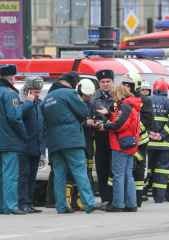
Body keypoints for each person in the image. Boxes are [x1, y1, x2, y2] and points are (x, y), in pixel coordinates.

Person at [41, 72, 96, 214]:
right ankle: (89, 203)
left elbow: (43, 121)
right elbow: (84, 111)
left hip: (54, 142)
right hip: (71, 139)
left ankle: (61, 206)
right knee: (79, 171)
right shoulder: (70, 93)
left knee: (59, 173)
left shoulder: (47, 98)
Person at [97, 85, 141, 212]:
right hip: (130, 143)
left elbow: (119, 124)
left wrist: (105, 126)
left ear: (119, 94)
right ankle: (131, 203)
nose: (113, 98)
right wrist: (109, 114)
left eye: (114, 94)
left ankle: (118, 204)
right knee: (128, 175)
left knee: (118, 175)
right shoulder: (132, 105)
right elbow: (123, 120)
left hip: (120, 144)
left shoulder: (124, 105)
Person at [0, 64, 34, 215]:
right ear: (11, 77)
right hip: (9, 141)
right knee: (10, 175)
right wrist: (24, 135)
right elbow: (14, 118)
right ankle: (11, 206)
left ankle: (2, 206)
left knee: (2, 175)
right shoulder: (9, 94)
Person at [122, 72, 153, 207]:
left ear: (135, 86)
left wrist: (133, 127)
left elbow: (147, 120)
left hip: (140, 141)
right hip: (125, 140)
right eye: (123, 85)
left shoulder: (144, 101)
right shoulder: (122, 99)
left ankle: (138, 198)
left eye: (128, 85)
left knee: (138, 168)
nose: (125, 87)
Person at [148, 80, 169, 203]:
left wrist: (149, 133)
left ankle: (143, 194)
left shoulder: (147, 100)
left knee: (147, 168)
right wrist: (162, 135)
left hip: (149, 143)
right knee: (162, 170)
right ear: (165, 90)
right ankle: (159, 197)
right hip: (165, 144)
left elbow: (141, 120)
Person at [18, 76, 45, 213]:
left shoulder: (39, 104)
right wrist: (28, 102)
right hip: (24, 147)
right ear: (27, 91)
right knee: (24, 175)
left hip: (36, 146)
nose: (37, 94)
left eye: (38, 92)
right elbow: (17, 116)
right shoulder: (22, 103)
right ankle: (22, 203)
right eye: (35, 92)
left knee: (32, 176)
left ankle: (29, 202)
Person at [92, 69, 114, 206]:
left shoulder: (118, 96)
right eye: (103, 82)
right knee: (102, 168)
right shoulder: (94, 98)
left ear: (112, 82)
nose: (105, 84)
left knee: (114, 169)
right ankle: (105, 198)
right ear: (99, 83)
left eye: (108, 81)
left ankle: (114, 197)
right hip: (100, 137)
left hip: (115, 136)